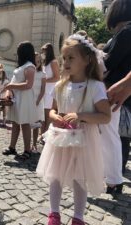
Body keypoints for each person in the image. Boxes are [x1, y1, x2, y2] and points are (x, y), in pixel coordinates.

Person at [36, 34, 111, 225]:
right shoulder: (61, 86)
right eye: (64, 58)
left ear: (86, 60)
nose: (66, 62)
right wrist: (54, 117)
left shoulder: (95, 87)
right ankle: (54, 214)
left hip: (84, 140)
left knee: (80, 178)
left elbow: (105, 116)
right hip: (61, 138)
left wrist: (81, 116)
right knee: (55, 176)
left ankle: (78, 217)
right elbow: (52, 109)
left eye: (71, 57)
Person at [102, 0, 131, 193]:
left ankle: (113, 178)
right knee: (116, 138)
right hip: (120, 93)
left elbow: (109, 62)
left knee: (112, 137)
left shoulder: (126, 33)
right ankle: (114, 177)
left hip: (115, 93)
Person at [2, 41, 37, 159]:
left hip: (25, 99)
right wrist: (9, 92)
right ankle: (12, 147)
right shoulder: (21, 66)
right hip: (17, 97)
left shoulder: (29, 66)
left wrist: (11, 87)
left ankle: (27, 150)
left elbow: (28, 85)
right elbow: (13, 81)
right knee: (15, 123)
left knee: (25, 124)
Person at [40, 43, 60, 144]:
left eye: (44, 51)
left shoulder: (53, 62)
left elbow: (57, 77)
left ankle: (46, 134)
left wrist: (44, 81)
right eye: (42, 50)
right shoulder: (44, 63)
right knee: (42, 114)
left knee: (48, 114)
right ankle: (42, 134)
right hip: (43, 91)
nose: (42, 53)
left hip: (50, 91)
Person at [31, 52, 46, 153]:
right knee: (27, 123)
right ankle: (27, 145)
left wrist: (37, 100)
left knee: (36, 124)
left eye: (39, 61)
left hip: (38, 101)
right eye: (36, 61)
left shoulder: (42, 74)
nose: (38, 63)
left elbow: (43, 89)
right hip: (29, 100)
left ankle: (34, 144)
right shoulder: (29, 72)